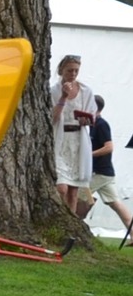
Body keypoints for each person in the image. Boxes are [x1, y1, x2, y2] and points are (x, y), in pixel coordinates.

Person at [50, 54, 94, 216]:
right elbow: (52, 118)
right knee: (62, 187)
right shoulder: (53, 91)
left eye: (76, 71)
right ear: (62, 70)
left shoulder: (85, 91)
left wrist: (87, 120)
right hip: (61, 140)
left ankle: (71, 222)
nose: (73, 74)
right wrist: (63, 97)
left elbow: (92, 115)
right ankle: (59, 217)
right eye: (70, 70)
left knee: (73, 192)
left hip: (78, 141)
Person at [82, 95, 132, 232]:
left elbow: (109, 147)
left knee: (79, 195)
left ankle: (76, 225)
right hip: (106, 174)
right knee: (116, 204)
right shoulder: (91, 125)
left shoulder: (101, 124)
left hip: (100, 173)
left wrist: (89, 155)